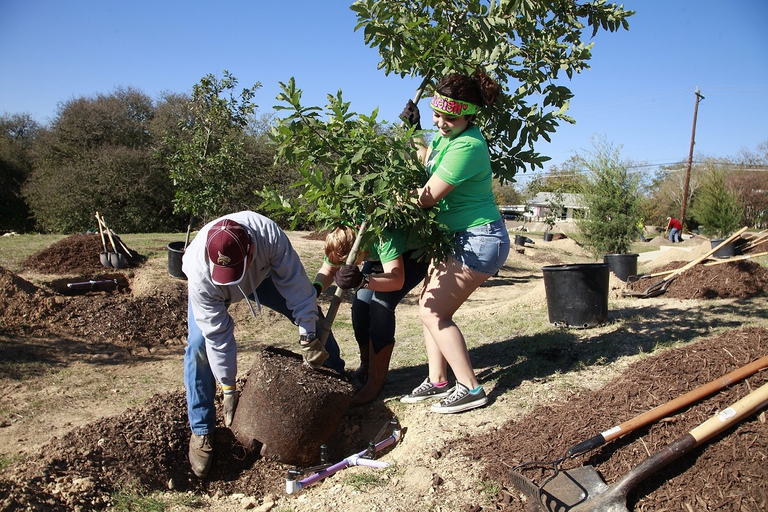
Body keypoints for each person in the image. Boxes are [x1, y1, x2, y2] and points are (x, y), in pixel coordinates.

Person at [182, 211, 345, 478]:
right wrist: (228, 387)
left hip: (263, 277)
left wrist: (307, 336)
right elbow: (218, 337)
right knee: (199, 347)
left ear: (251, 249)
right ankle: (201, 429)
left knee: (313, 321)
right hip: (213, 288)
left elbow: (298, 289)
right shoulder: (200, 271)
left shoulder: (268, 235)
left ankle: (337, 386)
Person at [398, 70, 510, 414]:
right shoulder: (448, 138)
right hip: (454, 237)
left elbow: (427, 196)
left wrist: (389, 198)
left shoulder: (469, 145)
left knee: (434, 311)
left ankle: (471, 387)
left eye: (450, 117)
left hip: (478, 239)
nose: (442, 123)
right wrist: (415, 132)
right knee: (427, 306)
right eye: (437, 115)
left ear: (468, 115)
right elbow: (427, 161)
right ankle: (438, 380)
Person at [315, 225, 428, 405]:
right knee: (360, 306)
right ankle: (366, 366)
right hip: (376, 256)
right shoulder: (341, 236)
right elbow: (328, 270)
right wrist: (316, 289)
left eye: (345, 263)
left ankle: (376, 380)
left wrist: (362, 280)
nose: (342, 267)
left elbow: (396, 280)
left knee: (380, 306)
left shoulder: (385, 235)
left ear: (358, 250)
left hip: (412, 255)